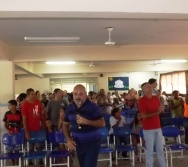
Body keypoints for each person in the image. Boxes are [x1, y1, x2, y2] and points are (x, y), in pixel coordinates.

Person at [63, 84, 105, 167]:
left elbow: (102, 123)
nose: (78, 96)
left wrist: (87, 122)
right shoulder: (69, 108)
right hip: (78, 143)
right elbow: (65, 124)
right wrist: (68, 139)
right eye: (75, 94)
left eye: (81, 94)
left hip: (92, 143)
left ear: (85, 94)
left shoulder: (93, 107)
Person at [138, 82, 166, 167]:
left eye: (150, 87)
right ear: (143, 90)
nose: (150, 88)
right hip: (148, 129)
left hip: (158, 127)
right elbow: (144, 115)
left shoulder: (155, 98)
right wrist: (157, 112)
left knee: (160, 150)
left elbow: (159, 111)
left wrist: (161, 110)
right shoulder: (141, 101)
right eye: (147, 87)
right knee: (150, 151)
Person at [22, 88, 44, 166]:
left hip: (38, 129)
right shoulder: (25, 105)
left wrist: (43, 124)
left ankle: (40, 160)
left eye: (34, 94)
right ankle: (30, 161)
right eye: (32, 94)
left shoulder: (37, 102)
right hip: (29, 130)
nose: (34, 95)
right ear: (28, 95)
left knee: (39, 146)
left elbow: (41, 114)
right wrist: (26, 132)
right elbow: (24, 119)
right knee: (30, 147)